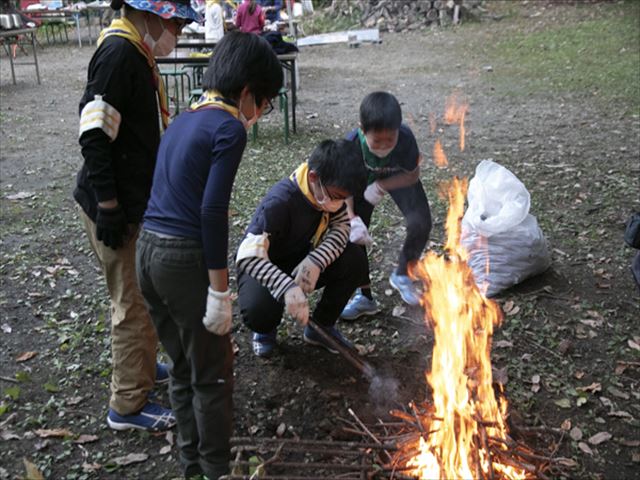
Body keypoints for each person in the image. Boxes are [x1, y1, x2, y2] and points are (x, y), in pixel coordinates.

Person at [136, 32, 282, 480]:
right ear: (246, 93)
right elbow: (213, 211)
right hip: (182, 259)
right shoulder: (228, 127)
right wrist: (220, 292)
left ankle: (192, 467)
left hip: (147, 252)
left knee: (182, 368)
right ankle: (217, 472)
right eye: (266, 102)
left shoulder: (184, 118)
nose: (262, 113)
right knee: (213, 374)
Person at [74, 0, 200, 432]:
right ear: (149, 12)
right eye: (176, 24)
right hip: (114, 206)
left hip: (131, 200)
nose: (177, 34)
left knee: (144, 294)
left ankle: (143, 368)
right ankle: (127, 405)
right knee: (131, 304)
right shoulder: (118, 55)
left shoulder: (135, 52)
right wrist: (109, 206)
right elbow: (93, 134)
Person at [237, 140, 369, 357]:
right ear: (314, 177)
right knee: (259, 310)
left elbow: (342, 226)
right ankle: (265, 330)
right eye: (337, 197)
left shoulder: (327, 193)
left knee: (354, 259)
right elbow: (247, 257)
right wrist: (287, 287)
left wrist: (317, 260)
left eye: (343, 198)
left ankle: (321, 327)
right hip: (265, 265)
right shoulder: (280, 202)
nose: (339, 204)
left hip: (300, 258)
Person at [341, 91, 432, 319]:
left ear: (398, 129)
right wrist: (352, 218)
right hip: (359, 184)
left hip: (397, 177)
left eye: (389, 140)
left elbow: (412, 175)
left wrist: (381, 186)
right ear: (362, 129)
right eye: (377, 140)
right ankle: (364, 297)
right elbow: (343, 188)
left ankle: (403, 274)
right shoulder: (350, 146)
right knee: (355, 237)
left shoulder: (405, 139)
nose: (383, 145)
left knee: (421, 222)